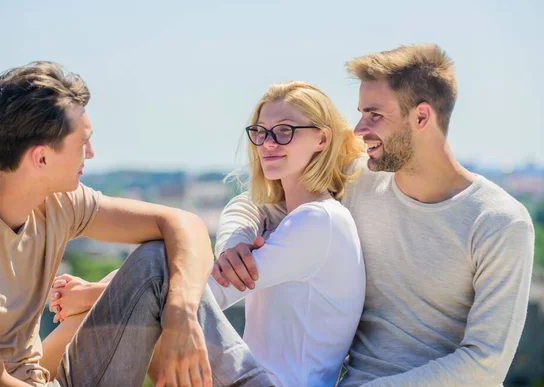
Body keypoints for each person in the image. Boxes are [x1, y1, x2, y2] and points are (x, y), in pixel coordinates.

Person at [211, 44, 535, 386]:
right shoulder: (359, 181)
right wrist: (236, 242)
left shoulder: (499, 221)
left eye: (374, 115)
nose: (358, 129)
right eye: (360, 113)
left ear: (422, 117)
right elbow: (259, 199)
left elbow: (485, 363)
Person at [0, 61, 272, 387]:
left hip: (39, 375)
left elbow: (183, 224)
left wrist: (180, 315)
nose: (91, 152)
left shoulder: (58, 202)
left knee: (158, 263)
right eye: (82, 142)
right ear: (41, 158)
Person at [49, 81, 367, 386]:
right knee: (162, 266)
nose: (268, 143)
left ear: (322, 139)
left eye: (284, 131)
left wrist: (94, 294)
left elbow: (211, 289)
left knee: (160, 267)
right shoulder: (285, 217)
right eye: (260, 132)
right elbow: (244, 208)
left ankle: (30, 376)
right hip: (252, 376)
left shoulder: (320, 221)